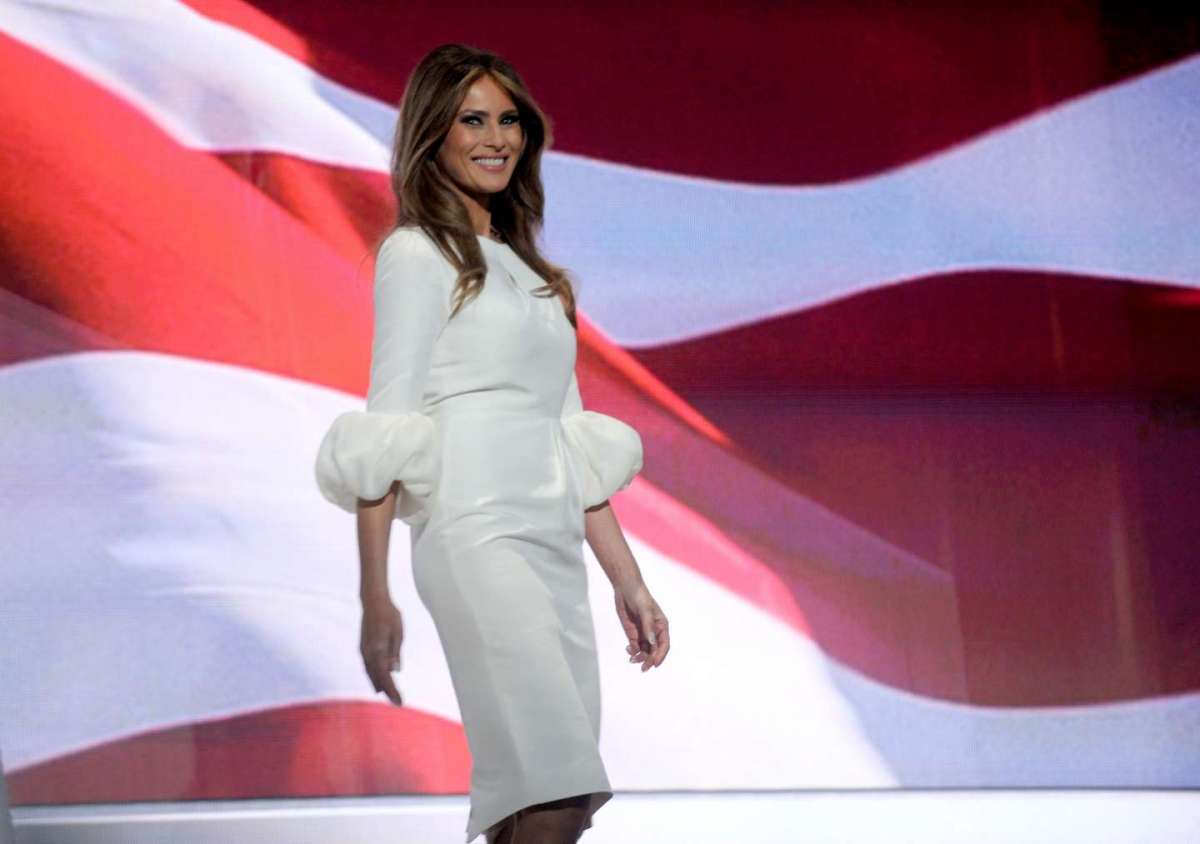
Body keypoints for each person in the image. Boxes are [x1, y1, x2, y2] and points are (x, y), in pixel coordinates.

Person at [314, 43, 670, 844]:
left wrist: (630, 582)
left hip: (553, 547)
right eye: (473, 119)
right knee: (556, 784)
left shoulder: (537, 278)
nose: (496, 136)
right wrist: (375, 595)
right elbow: (386, 432)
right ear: (433, 134)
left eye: (509, 119)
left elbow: (574, 444)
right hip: (475, 537)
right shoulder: (416, 255)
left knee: (551, 800)